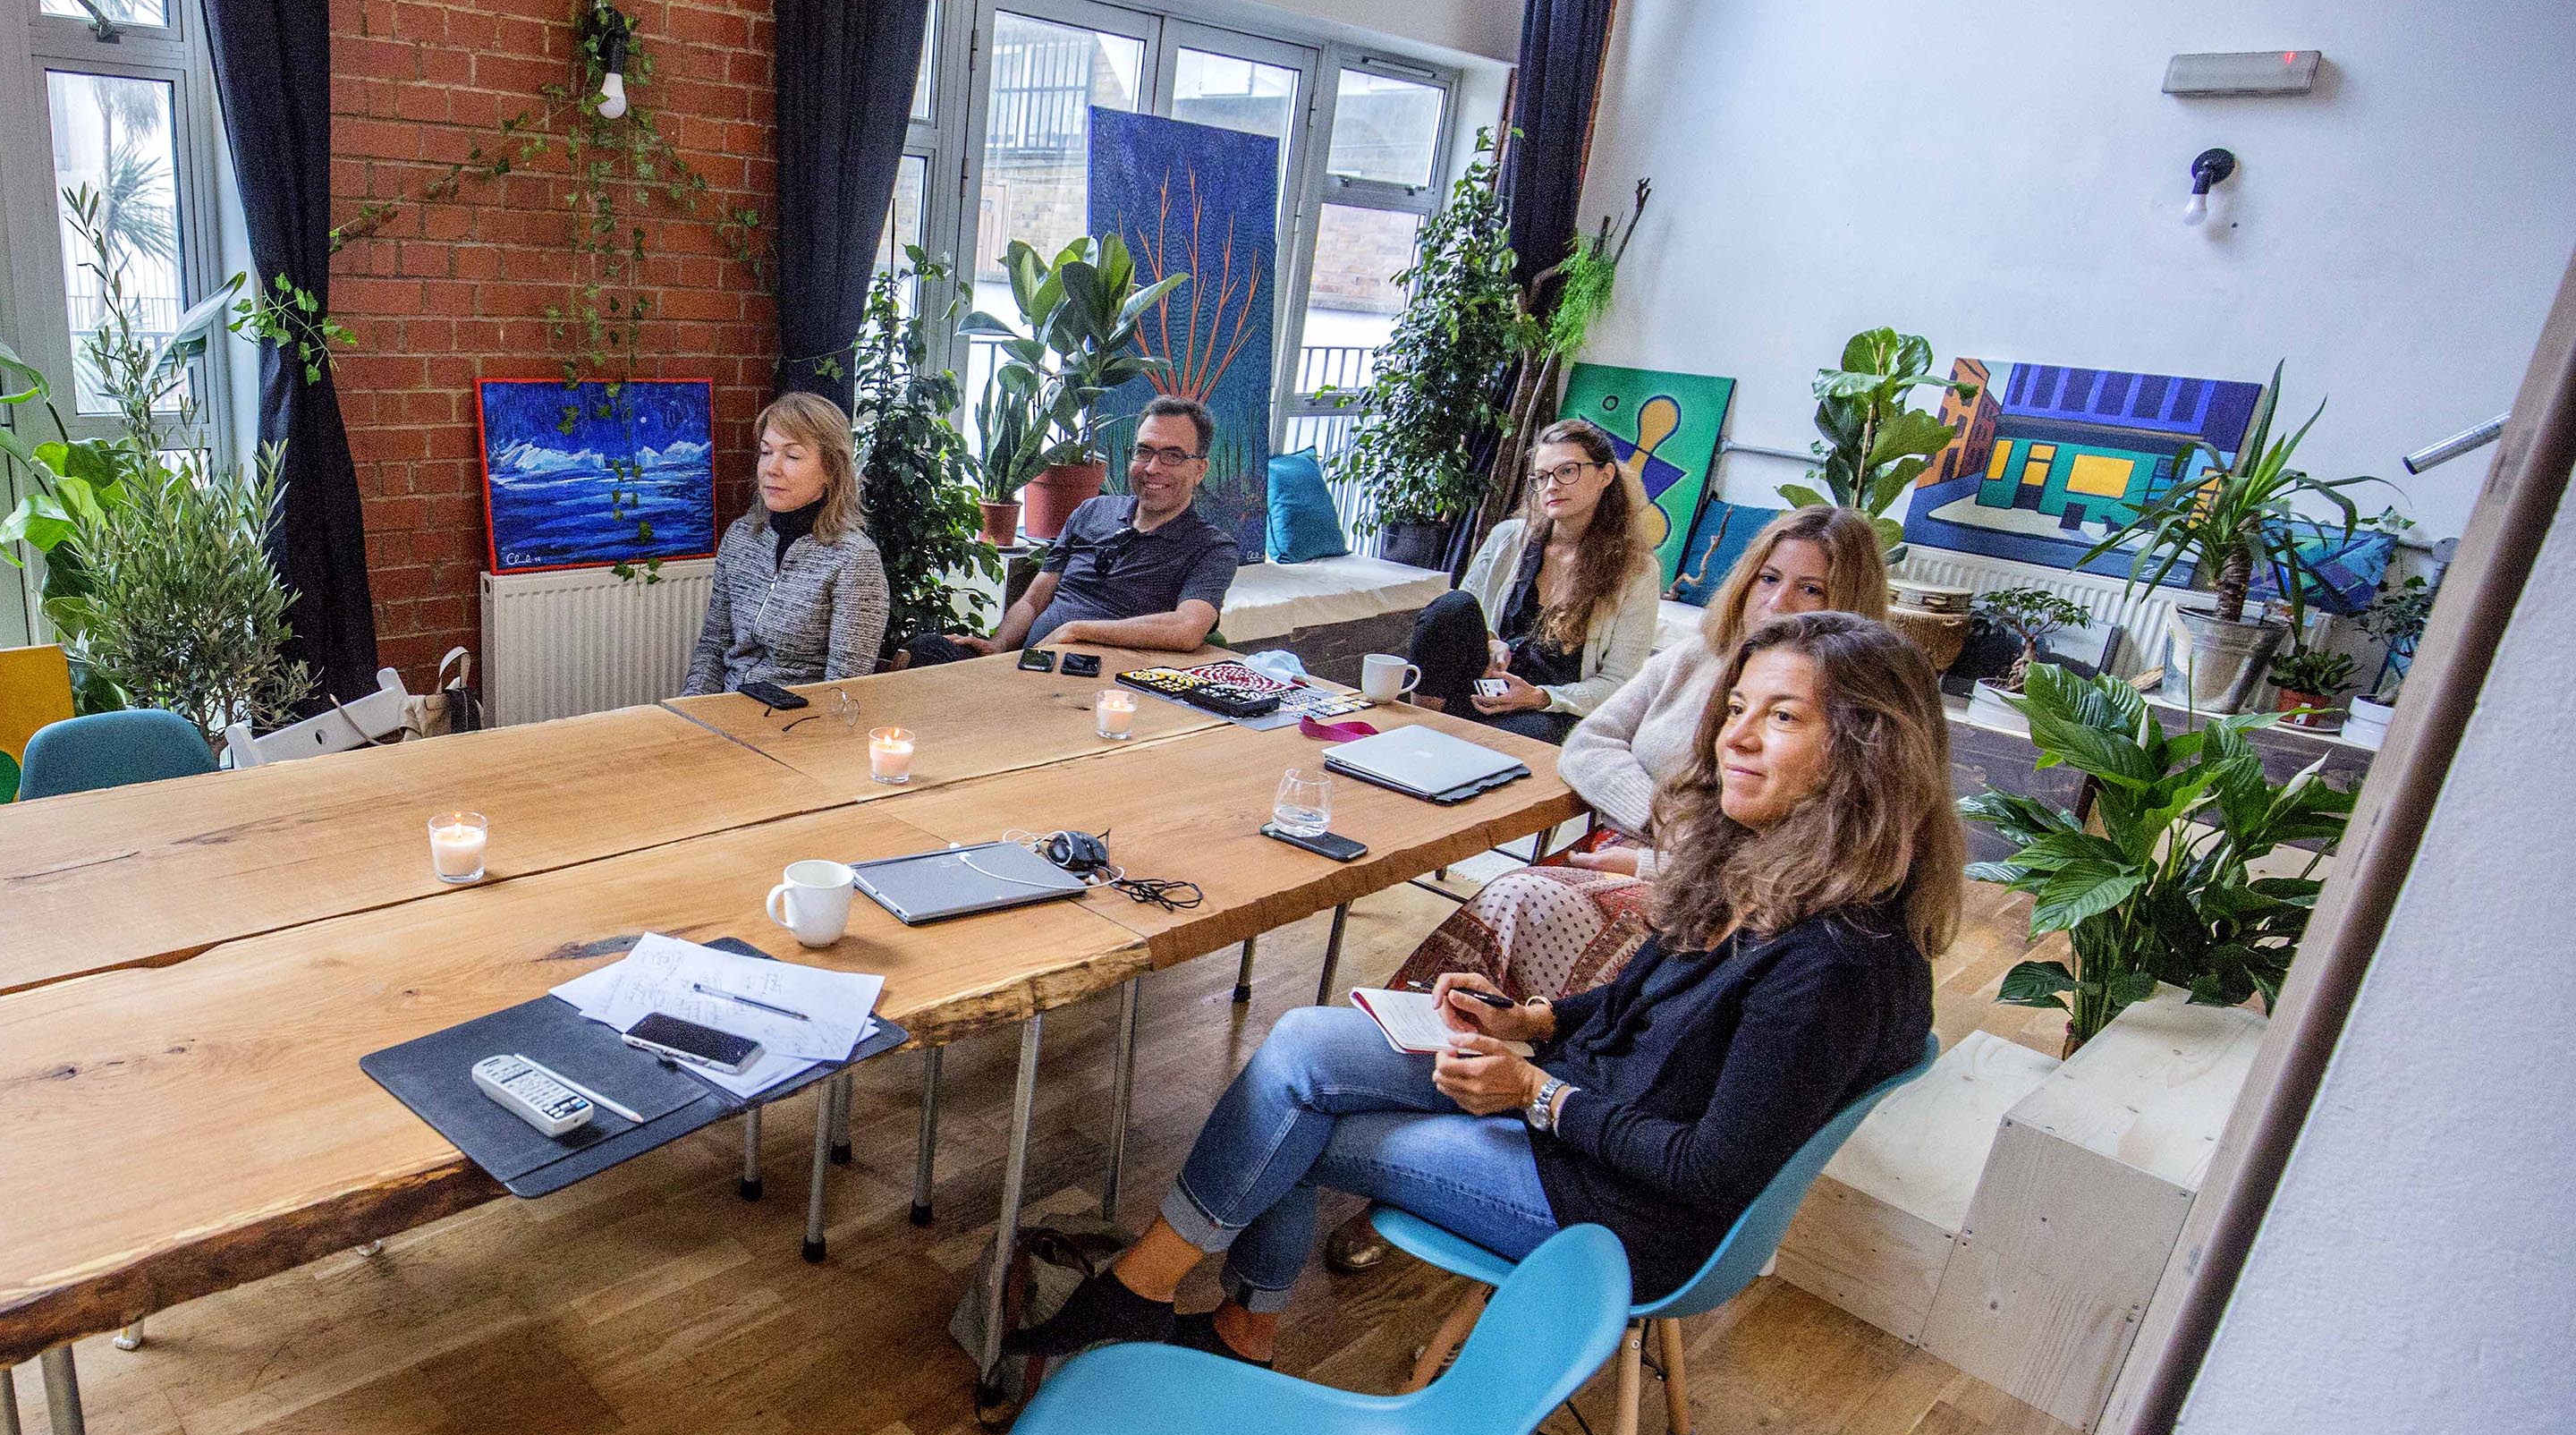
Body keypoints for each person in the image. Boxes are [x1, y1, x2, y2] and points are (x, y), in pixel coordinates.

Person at [1011, 608, 1960, 1365]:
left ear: (1865, 748)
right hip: (1584, 1113)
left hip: (1619, 1210)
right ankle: (1179, 1306)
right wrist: (1534, 1019)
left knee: (1295, 1125)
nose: (1734, 738)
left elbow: (1711, 1169)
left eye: (1781, 717)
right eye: (1738, 707)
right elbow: (1642, 1010)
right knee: (1300, 1045)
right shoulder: (1762, 859)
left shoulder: (1836, 961)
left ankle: (1169, 1306)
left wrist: (1535, 1093)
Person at [1325, 505, 1893, 1278]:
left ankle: (1433, 1116)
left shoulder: (1826, 942)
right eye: (1768, 578)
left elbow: (1712, 1164)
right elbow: (1590, 745)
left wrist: (1671, 859)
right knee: (1516, 909)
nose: (1779, 601)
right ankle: (1428, 1080)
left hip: (1626, 1183)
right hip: (1655, 863)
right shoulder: (1697, 661)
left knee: (1521, 899)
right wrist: (1681, 833)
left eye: (1810, 588)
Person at [906, 397, 1239, 662]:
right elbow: (1034, 600)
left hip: (1100, 677)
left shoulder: (1211, 547)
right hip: (1030, 662)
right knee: (926, 649)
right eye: (1144, 451)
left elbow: (1187, 627)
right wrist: (998, 646)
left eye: (1172, 456)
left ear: (1200, 469)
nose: (1152, 468)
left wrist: (1078, 630)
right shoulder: (1092, 511)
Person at [1402, 419, 1660, 740]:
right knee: (1452, 606)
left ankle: (1456, 736)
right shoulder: (1508, 538)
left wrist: (1540, 697)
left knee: (1534, 733)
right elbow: (1470, 619)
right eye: (1541, 476)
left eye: (1567, 471)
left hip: (1549, 709)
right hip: (1484, 687)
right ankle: (1421, 727)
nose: (1551, 485)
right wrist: (1491, 642)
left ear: (1605, 475)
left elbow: (1621, 684)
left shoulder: (1636, 569)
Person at [682, 391, 891, 694]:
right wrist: (690, 708)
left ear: (831, 470)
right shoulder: (740, 537)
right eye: (766, 452)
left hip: (797, 717)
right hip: (726, 707)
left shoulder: (855, 560)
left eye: (792, 456)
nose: (772, 468)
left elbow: (842, 690)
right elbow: (713, 648)